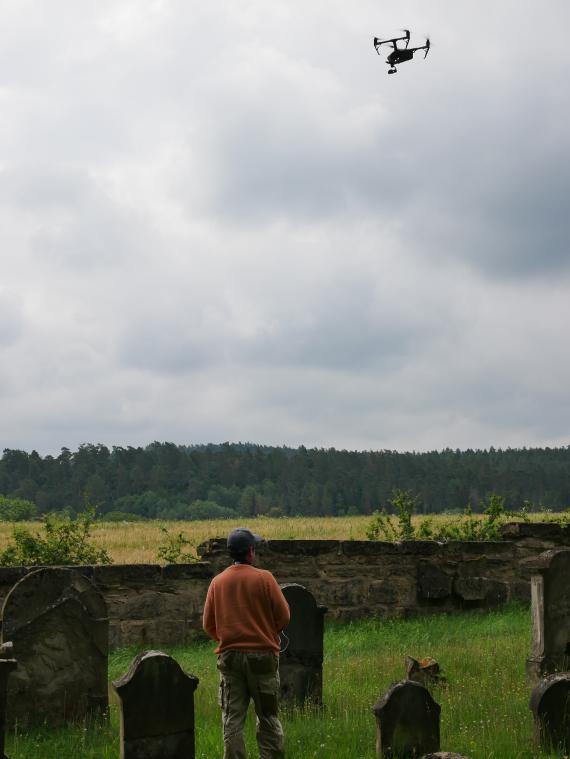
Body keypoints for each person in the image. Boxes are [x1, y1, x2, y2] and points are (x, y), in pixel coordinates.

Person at [203, 527, 290, 759]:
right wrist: (268, 633)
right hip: (262, 655)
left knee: (232, 719)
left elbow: (208, 624)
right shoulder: (265, 578)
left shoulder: (217, 582)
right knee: (268, 717)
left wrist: (226, 639)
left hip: (230, 657)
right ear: (251, 551)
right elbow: (284, 616)